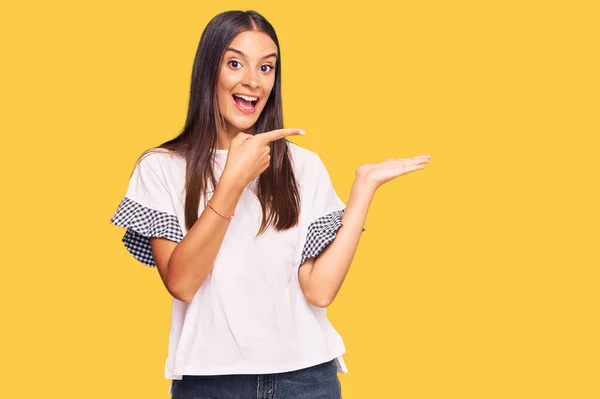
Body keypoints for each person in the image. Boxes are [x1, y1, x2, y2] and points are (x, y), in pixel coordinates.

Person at [110, 9, 430, 399]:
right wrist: (232, 180)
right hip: (211, 383)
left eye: (266, 68)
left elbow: (319, 291)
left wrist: (362, 191)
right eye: (234, 63)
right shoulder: (161, 167)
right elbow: (182, 282)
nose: (252, 81)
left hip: (308, 379)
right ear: (208, 70)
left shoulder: (303, 166)